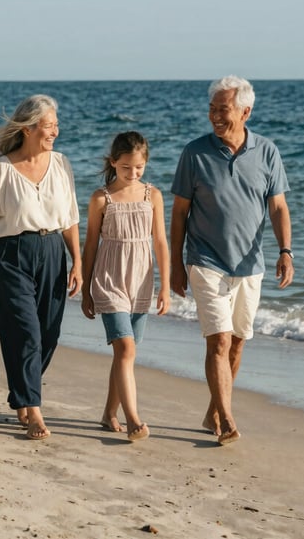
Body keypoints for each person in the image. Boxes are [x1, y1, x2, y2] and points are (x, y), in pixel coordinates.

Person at [170, 75, 294, 445]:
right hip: (205, 259)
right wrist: (176, 264)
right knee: (219, 341)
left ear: (245, 111)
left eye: (222, 109)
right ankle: (226, 417)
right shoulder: (194, 153)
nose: (214, 116)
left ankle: (214, 410)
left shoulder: (267, 152)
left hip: (250, 264)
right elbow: (179, 213)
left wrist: (285, 251)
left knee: (238, 342)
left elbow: (278, 206)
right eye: (211, 109)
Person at [0, 94, 82, 440]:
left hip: (53, 252)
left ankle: (23, 392)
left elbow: (70, 218)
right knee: (25, 332)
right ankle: (33, 408)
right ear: (30, 128)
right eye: (50, 125)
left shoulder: (62, 164)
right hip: (12, 254)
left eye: (55, 125)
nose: (56, 131)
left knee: (49, 333)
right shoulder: (1, 169)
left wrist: (77, 260)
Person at [81, 131, 170, 440]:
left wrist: (165, 287)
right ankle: (133, 419)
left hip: (141, 282)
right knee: (126, 348)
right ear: (113, 163)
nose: (133, 174)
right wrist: (86, 290)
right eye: (127, 167)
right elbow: (90, 245)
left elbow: (160, 242)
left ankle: (109, 413)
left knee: (125, 354)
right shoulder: (100, 198)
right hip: (109, 280)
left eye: (139, 167)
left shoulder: (152, 196)